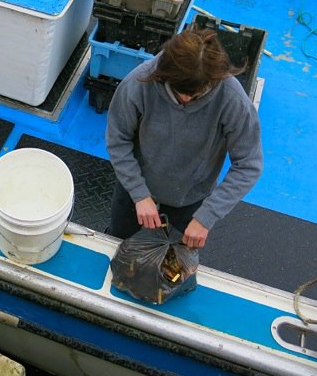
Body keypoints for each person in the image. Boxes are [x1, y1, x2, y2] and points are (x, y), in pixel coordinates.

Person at [105, 26, 263, 249]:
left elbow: (248, 165)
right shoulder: (139, 82)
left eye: (196, 95)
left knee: (173, 259)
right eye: (180, 92)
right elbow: (117, 139)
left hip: (190, 198)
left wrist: (206, 217)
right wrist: (139, 194)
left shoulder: (233, 100)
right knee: (116, 242)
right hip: (134, 188)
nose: (187, 100)